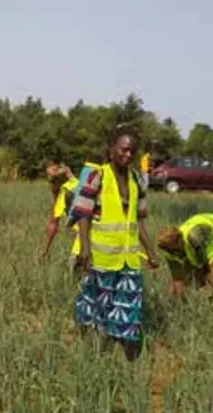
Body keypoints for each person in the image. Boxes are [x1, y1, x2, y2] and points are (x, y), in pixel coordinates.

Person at [66, 129, 159, 361]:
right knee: (97, 306)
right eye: (123, 149)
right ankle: (93, 351)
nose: (128, 155)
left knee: (128, 310)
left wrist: (150, 251)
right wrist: (85, 248)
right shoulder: (97, 176)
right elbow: (83, 214)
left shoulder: (137, 180)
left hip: (129, 258)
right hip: (101, 256)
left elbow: (138, 220)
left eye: (132, 151)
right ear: (111, 149)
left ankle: (124, 358)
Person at [156, 213, 213, 301]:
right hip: (199, 242)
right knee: (190, 277)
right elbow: (177, 279)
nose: (175, 254)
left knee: (212, 274)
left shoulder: (194, 237)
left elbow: (204, 265)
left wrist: (204, 277)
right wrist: (178, 302)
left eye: (176, 250)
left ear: (179, 241)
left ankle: (211, 303)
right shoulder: (169, 251)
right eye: (172, 251)